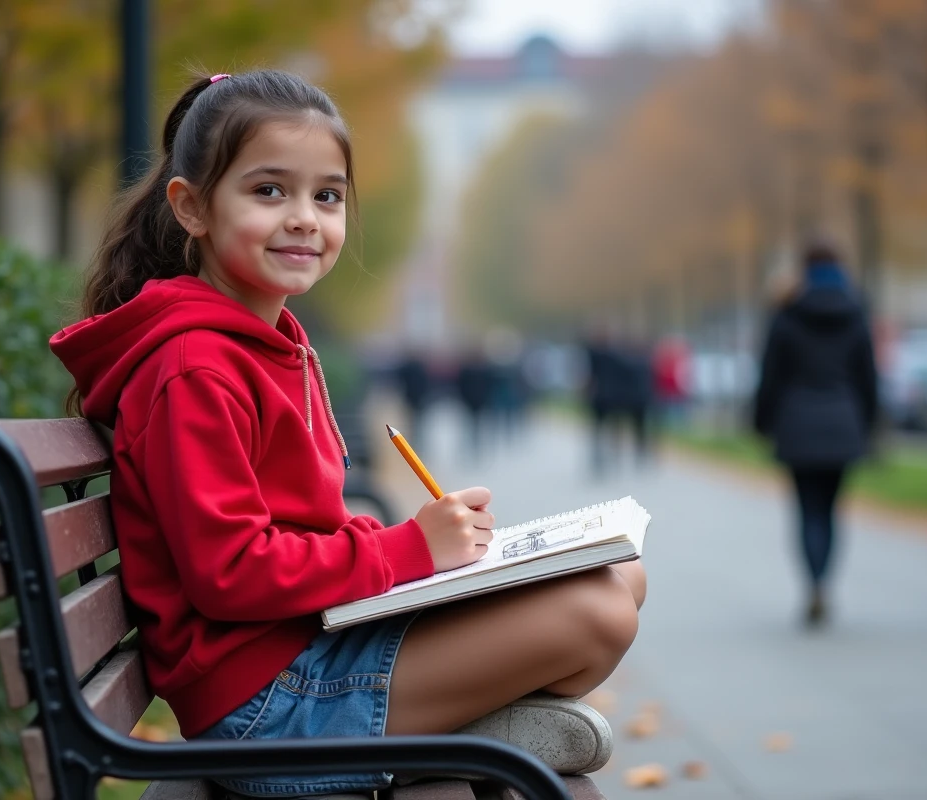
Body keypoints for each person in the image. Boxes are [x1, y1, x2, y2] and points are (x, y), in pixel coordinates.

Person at [49, 69, 645, 798]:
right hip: (267, 707)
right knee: (597, 611)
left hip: (308, 651)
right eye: (269, 191)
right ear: (193, 208)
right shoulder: (193, 368)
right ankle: (467, 739)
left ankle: (460, 735)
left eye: (326, 195)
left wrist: (429, 563)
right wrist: (408, 548)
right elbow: (230, 571)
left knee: (619, 575)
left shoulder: (265, 342)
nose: (304, 216)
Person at [753, 240, 878, 627]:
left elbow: (770, 375)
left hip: (797, 424)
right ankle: (825, 582)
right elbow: (868, 376)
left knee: (808, 511)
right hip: (843, 422)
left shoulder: (787, 314)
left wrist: (762, 420)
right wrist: (869, 423)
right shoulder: (857, 312)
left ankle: (814, 584)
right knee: (831, 510)